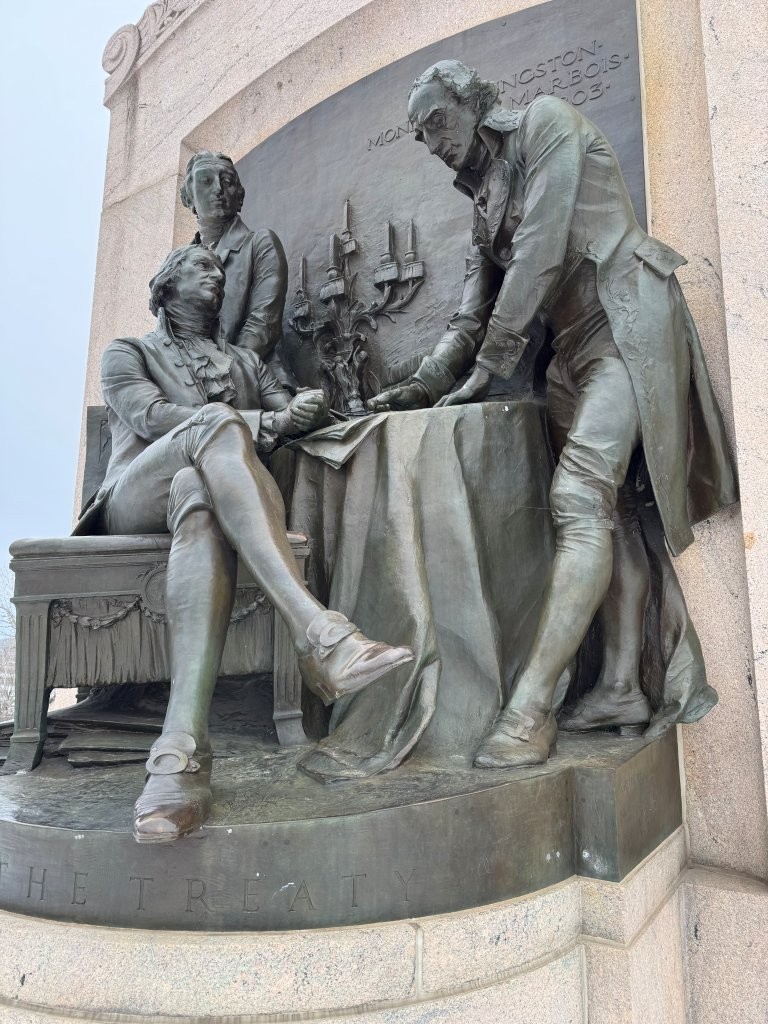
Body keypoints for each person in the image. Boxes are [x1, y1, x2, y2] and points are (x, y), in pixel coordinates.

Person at [370, 60, 737, 768]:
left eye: (436, 120)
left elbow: (540, 248)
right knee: (610, 515)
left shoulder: (547, 124)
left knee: (577, 497)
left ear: (473, 100)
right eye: (419, 134)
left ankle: (530, 708)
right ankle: (622, 687)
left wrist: (489, 364)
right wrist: (419, 385)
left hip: (626, 323)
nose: (430, 140)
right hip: (570, 355)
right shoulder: (481, 205)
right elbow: (468, 313)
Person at [79, 243, 412, 842]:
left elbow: (288, 411)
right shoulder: (129, 351)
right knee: (213, 425)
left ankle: (180, 754)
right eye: (199, 266)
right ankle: (318, 631)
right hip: (134, 500)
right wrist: (259, 422)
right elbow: (153, 419)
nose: (215, 274)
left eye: (219, 269)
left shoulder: (244, 362)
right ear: (164, 283)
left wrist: (305, 406)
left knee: (199, 495)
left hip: (194, 497)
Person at [180, 150, 293, 384]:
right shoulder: (178, 266)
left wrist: (218, 373)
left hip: (250, 380)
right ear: (188, 198)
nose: (218, 189)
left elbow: (263, 324)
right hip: (191, 381)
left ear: (240, 198)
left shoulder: (260, 243)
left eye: (227, 181)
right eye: (206, 181)